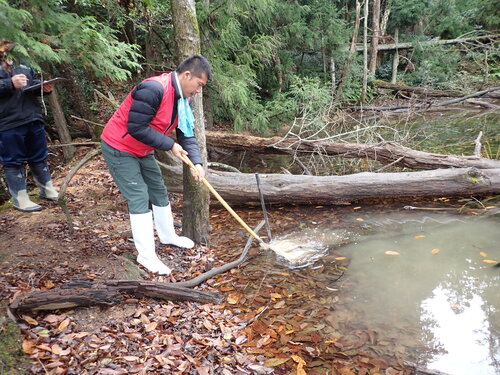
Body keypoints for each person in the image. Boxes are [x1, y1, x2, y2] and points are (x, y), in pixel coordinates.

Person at [100, 54, 211, 275]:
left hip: (142, 149)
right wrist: (170, 145)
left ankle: (168, 235)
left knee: (159, 190)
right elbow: (136, 127)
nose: (199, 90)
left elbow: (186, 133)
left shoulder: (183, 100)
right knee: (139, 196)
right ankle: (146, 256)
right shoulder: (153, 89)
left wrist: (196, 163)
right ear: (187, 75)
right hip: (119, 147)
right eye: (199, 84)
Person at [0, 40, 58, 212]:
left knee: (39, 156)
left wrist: (44, 88)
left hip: (32, 118)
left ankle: (47, 189)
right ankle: (20, 198)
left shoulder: (23, 65)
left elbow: (31, 84)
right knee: (13, 161)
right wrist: (10, 83)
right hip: (7, 122)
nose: (8, 52)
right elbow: (11, 86)